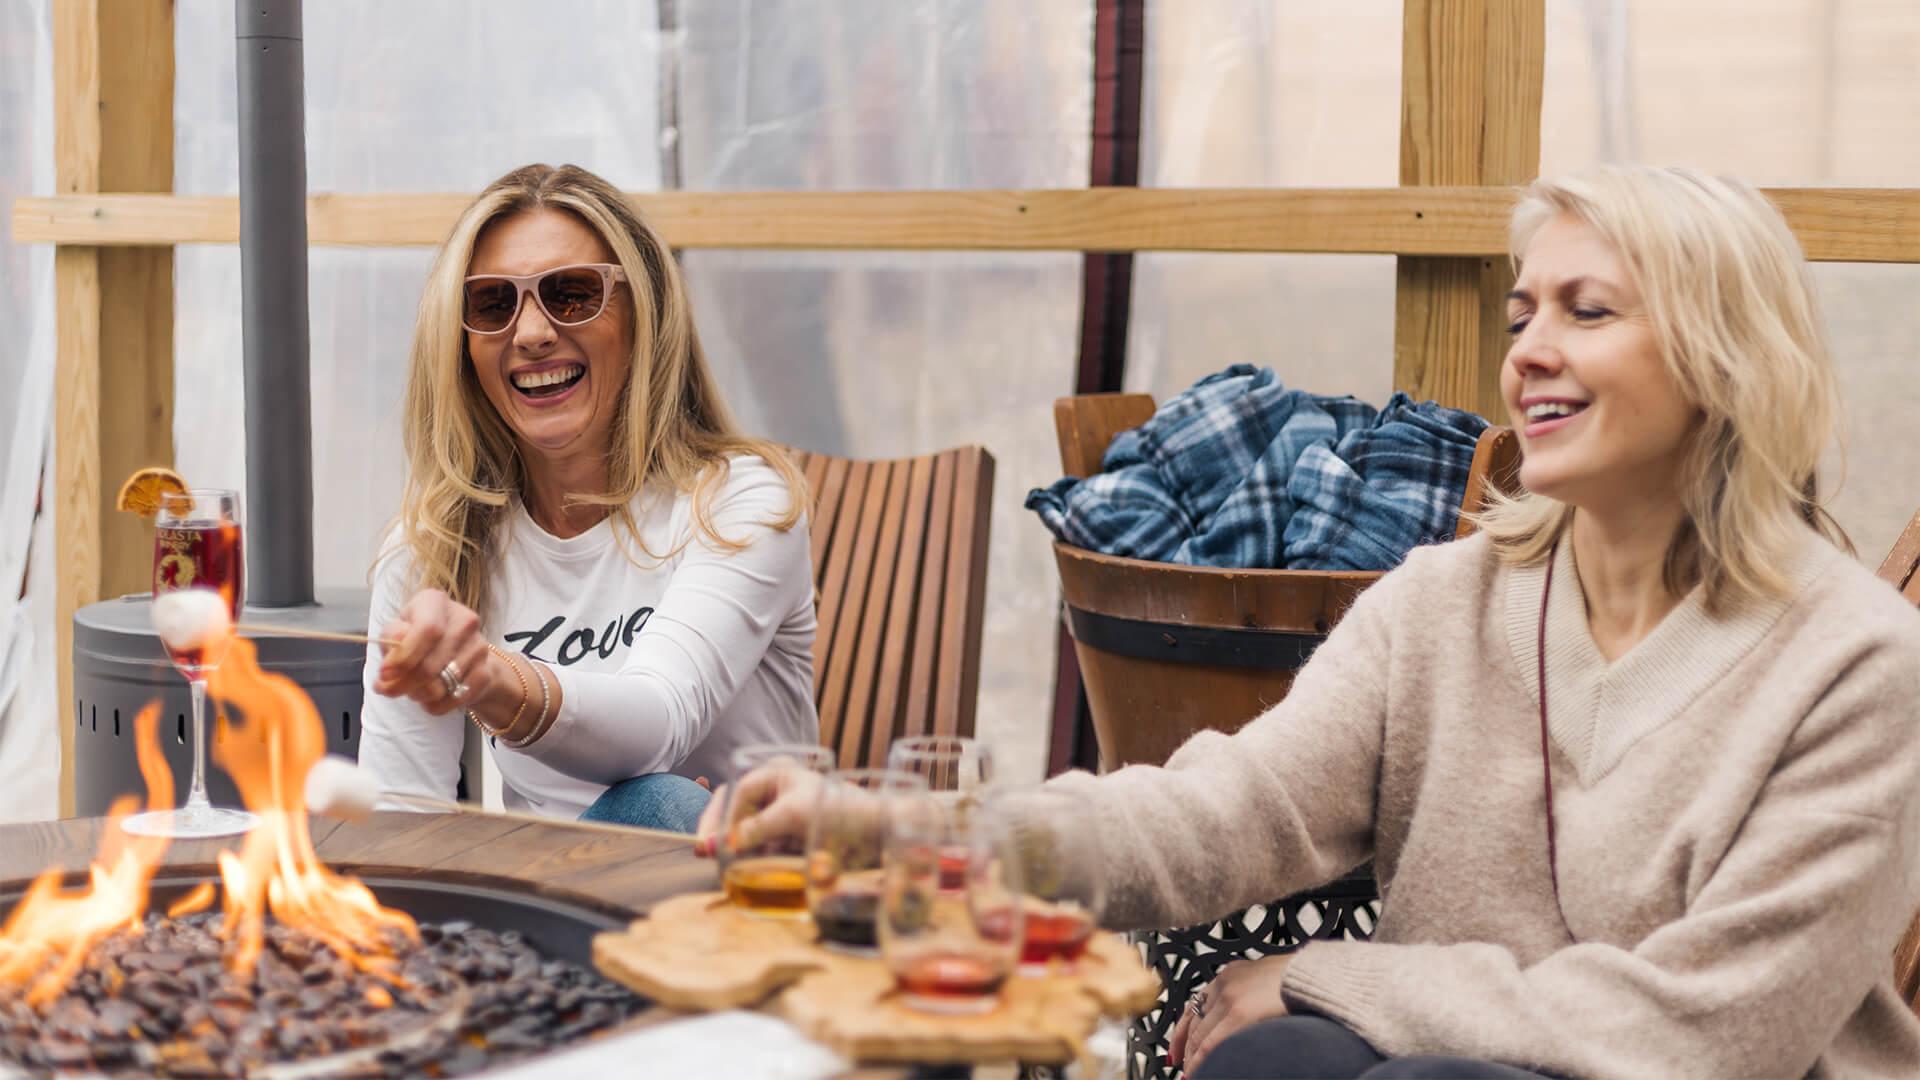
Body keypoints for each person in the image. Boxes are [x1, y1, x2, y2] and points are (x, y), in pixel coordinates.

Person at [700, 165, 1920, 1078]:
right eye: (1520, 317)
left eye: (1586, 313)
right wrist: (893, 832)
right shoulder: (1448, 603)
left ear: (1723, 357)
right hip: (1449, 1059)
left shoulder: (1852, 663)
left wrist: (1330, 975)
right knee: (1269, 1063)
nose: (1528, 356)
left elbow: (1709, 1032)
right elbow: (1210, 816)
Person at [359, 163, 817, 833]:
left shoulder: (737, 503)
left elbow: (656, 722)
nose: (532, 332)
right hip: (555, 909)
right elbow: (396, 818)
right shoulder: (435, 546)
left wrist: (486, 677)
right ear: (460, 344)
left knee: (662, 805)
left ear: (645, 314)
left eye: (571, 294)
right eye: (493, 304)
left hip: (738, 903)